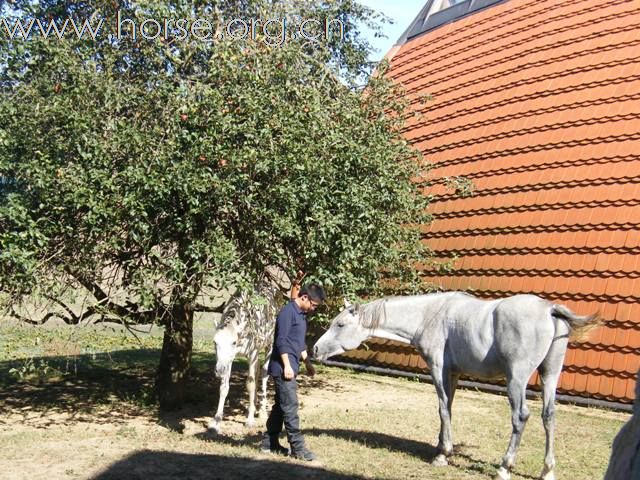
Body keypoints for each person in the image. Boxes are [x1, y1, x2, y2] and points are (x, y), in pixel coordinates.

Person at [261, 283, 326, 461]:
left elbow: (298, 343)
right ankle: (298, 448)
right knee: (290, 407)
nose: (314, 308)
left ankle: (269, 443)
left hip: (291, 366)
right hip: (283, 368)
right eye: (313, 304)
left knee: (280, 407)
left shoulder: (302, 315)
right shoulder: (287, 313)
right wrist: (287, 365)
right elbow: (281, 341)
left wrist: (307, 363)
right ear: (304, 297)